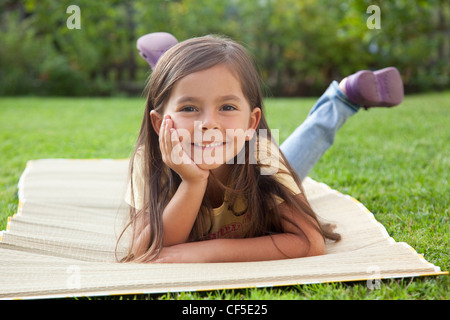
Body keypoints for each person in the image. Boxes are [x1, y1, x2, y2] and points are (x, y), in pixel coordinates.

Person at [118, 33, 403, 263]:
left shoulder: (260, 153)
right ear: (158, 124)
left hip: (249, 159)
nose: (209, 123)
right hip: (217, 141)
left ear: (252, 121)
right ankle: (170, 60)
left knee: (282, 161)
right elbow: (147, 250)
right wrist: (193, 182)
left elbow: (310, 242)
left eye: (227, 106)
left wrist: (208, 252)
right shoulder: (151, 162)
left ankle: (344, 98)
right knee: (191, 85)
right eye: (189, 107)